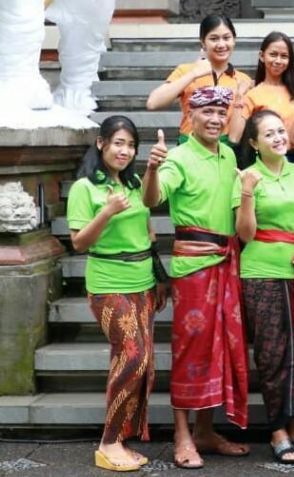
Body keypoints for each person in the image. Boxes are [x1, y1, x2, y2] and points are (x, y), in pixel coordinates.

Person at [142, 86, 250, 469]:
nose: (216, 119)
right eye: (208, 112)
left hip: (227, 261)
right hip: (193, 267)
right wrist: (152, 168)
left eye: (222, 113)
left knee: (219, 349)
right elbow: (152, 200)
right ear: (191, 115)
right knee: (190, 351)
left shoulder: (228, 155)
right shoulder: (178, 157)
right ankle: (182, 434)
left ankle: (206, 430)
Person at [67, 115, 166, 472]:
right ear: (101, 144)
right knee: (133, 356)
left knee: (144, 364)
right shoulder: (85, 188)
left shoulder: (135, 182)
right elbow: (78, 242)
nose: (124, 151)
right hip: (108, 283)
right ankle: (108, 441)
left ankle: (120, 439)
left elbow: (148, 227)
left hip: (143, 281)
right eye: (117, 143)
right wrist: (107, 212)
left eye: (130, 145)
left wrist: (159, 278)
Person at [233, 110, 294, 464]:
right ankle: (277, 430)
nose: (278, 138)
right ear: (253, 143)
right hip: (261, 272)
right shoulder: (246, 176)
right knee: (272, 354)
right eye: (269, 134)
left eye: (281, 131)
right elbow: (245, 234)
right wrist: (248, 192)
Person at [146, 15, 252, 143]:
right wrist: (194, 73)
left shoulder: (243, 80)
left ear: (234, 40)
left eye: (226, 38)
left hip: (226, 150)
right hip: (189, 148)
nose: (221, 44)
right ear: (203, 42)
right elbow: (153, 103)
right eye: (214, 39)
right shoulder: (186, 71)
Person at [228, 31, 294, 163]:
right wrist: (239, 97)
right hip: (265, 160)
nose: (278, 60)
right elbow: (234, 138)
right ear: (262, 56)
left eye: (284, 56)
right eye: (273, 54)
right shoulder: (252, 94)